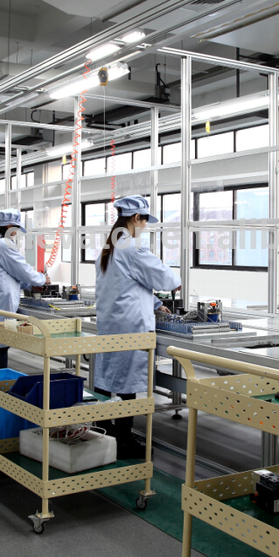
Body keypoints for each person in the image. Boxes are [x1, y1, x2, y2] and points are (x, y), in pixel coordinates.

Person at [93, 195, 180, 459]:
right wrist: (173, 284)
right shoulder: (133, 248)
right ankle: (123, 440)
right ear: (135, 218)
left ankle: (103, 429)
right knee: (127, 383)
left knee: (108, 378)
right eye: (143, 220)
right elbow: (168, 279)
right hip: (130, 325)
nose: (144, 226)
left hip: (112, 321)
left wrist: (154, 302)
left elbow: (126, 285)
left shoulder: (110, 248)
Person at [0, 209, 49, 370]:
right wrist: (42, 279)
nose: (16, 233)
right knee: (0, 344)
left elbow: (9, 273)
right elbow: (22, 269)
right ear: (10, 226)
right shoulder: (3, 245)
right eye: (16, 229)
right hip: (2, 300)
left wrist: (29, 285)